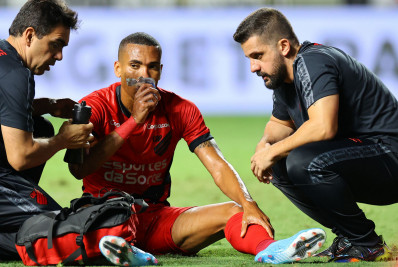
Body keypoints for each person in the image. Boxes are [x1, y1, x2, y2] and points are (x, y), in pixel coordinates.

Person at [68, 31, 326, 265]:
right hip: (105, 218)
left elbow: (216, 164)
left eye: (152, 67)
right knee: (99, 233)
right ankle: (131, 252)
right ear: (118, 68)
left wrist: (248, 203)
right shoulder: (94, 107)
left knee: (235, 210)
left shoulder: (181, 109)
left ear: (160, 70)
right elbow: (79, 169)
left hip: (154, 217)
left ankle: (271, 250)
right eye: (134, 66)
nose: (144, 74)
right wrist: (134, 120)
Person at [233, 7, 398, 263]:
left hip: (389, 155)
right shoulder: (283, 78)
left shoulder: (313, 61)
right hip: (367, 158)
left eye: (258, 55)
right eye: (249, 58)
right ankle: (349, 237)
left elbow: (323, 127)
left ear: (284, 46)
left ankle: (367, 243)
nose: (254, 67)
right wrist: (265, 145)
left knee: (303, 161)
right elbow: (278, 126)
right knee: (279, 162)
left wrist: (274, 151)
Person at [0, 0, 102, 262]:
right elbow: (20, 157)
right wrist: (63, 140)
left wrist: (49, 105)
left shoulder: (5, 60)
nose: (59, 56)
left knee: (40, 124)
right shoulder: (16, 75)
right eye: (56, 44)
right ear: (30, 35)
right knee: (63, 229)